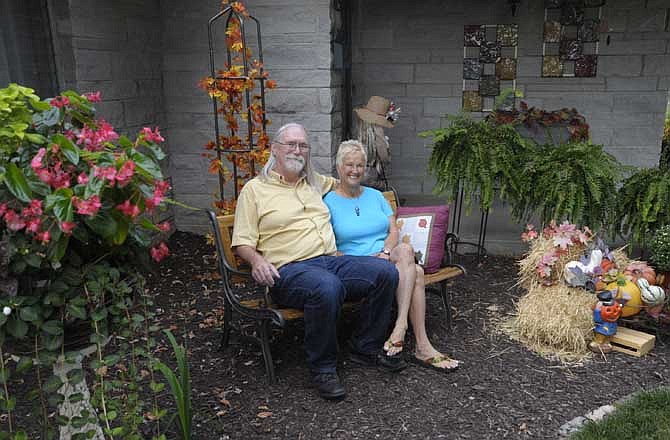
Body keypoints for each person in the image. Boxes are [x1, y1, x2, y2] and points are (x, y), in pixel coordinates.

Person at [231, 123, 406, 401]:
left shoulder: (315, 183)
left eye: (303, 145)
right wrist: (256, 261)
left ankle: (364, 346)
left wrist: (377, 206)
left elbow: (347, 179)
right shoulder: (255, 190)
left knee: (384, 272)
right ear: (274, 149)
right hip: (288, 271)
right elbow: (242, 241)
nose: (297, 150)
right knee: (327, 287)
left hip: (329, 260)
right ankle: (323, 368)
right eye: (291, 144)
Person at [324, 140, 460, 372]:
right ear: (338, 167)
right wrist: (370, 261)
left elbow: (393, 230)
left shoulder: (376, 196)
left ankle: (400, 326)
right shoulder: (328, 202)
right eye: (349, 165)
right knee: (416, 272)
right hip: (356, 265)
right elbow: (329, 245)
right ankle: (422, 345)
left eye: (360, 165)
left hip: (387, 257)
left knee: (405, 250)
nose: (355, 170)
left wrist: (386, 252)